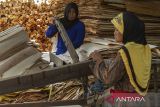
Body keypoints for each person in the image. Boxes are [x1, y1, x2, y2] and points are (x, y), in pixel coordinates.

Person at [89, 11, 151, 106]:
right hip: (141, 98)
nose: (114, 33)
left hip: (126, 101)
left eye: (117, 30)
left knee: (98, 101)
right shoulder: (145, 48)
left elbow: (108, 78)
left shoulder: (125, 51)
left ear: (127, 31)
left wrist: (99, 60)